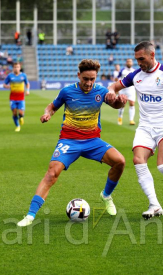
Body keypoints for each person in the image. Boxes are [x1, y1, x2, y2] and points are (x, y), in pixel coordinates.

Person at [17, 59, 127, 227]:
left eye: (92, 79)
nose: (89, 83)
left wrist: (121, 101)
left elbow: (115, 104)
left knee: (120, 161)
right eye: (85, 79)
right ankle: (30, 215)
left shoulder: (101, 91)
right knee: (52, 174)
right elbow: (52, 106)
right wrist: (48, 114)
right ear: (78, 76)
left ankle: (106, 195)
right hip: (69, 141)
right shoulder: (67, 92)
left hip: (93, 141)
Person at [107, 41, 163, 220]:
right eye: (137, 59)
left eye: (141, 59)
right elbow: (114, 86)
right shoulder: (135, 75)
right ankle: (154, 205)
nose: (139, 63)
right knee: (138, 161)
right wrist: (112, 93)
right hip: (145, 126)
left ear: (152, 55)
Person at [3, 63, 30, 132]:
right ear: (13, 68)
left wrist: (27, 91)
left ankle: (21, 117)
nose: (16, 68)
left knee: (21, 113)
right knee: (14, 113)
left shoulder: (23, 75)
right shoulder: (10, 76)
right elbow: (4, 84)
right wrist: (7, 86)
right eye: (15, 67)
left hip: (21, 98)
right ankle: (17, 126)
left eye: (17, 67)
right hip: (13, 98)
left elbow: (27, 83)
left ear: (20, 68)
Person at [116, 58, 136, 126]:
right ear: (126, 63)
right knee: (122, 105)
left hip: (131, 90)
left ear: (132, 63)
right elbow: (117, 79)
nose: (129, 63)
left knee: (132, 104)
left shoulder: (134, 70)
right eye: (128, 61)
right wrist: (118, 88)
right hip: (123, 90)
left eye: (130, 61)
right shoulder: (122, 70)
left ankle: (131, 120)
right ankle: (120, 118)